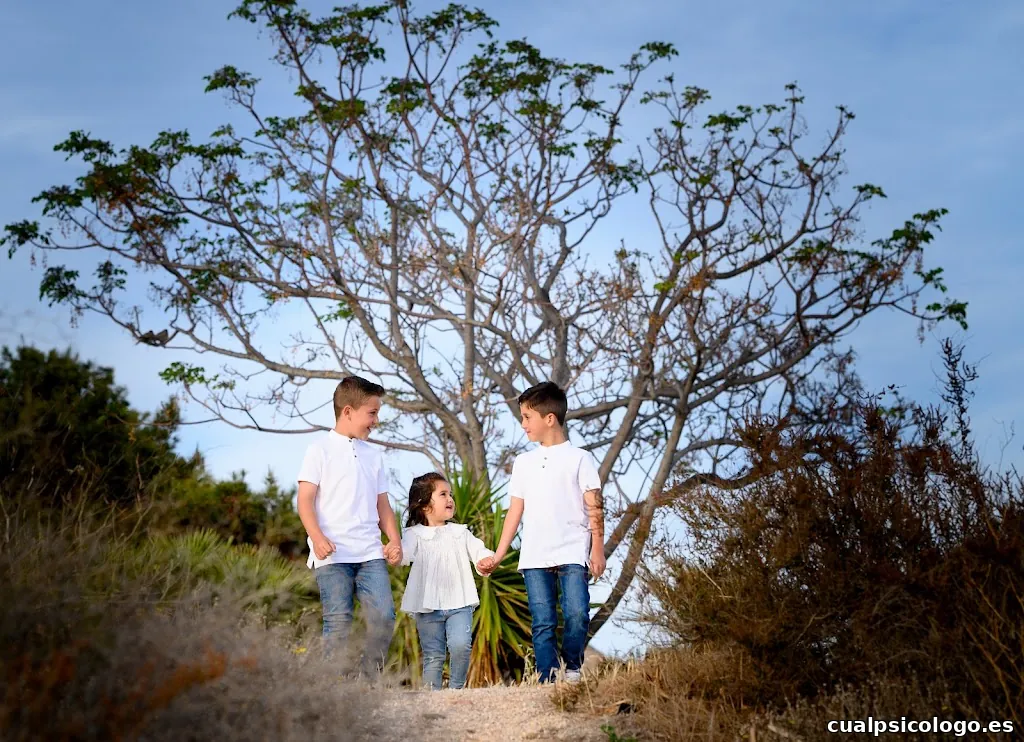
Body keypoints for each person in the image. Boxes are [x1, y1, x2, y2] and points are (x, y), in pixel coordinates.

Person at [479, 381, 606, 683]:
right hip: (535, 555)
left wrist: (597, 549)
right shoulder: (524, 463)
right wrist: (498, 554)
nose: (523, 424)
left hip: (573, 550)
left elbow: (595, 507)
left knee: (576, 614)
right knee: (543, 622)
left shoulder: (580, 458)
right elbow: (515, 511)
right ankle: (547, 680)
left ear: (549, 418)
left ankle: (573, 667)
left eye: (527, 417)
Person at [296, 375, 403, 677]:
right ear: (347, 412)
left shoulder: (374, 455)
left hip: (370, 553)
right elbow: (305, 501)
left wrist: (393, 540)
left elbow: (383, 506)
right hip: (332, 555)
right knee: (339, 622)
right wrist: (317, 538)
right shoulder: (319, 449)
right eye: (372, 413)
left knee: (383, 616)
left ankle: (369, 684)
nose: (376, 420)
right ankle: (334, 690)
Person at [401, 473, 494, 690]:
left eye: (450, 494)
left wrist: (484, 560)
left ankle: (456, 690)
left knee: (461, 645)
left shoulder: (460, 532)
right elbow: (404, 555)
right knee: (433, 655)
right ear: (424, 505)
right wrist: (394, 553)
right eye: (443, 494)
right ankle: (432, 698)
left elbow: (478, 550)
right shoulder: (414, 534)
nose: (450, 499)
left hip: (459, 602)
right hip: (427, 605)